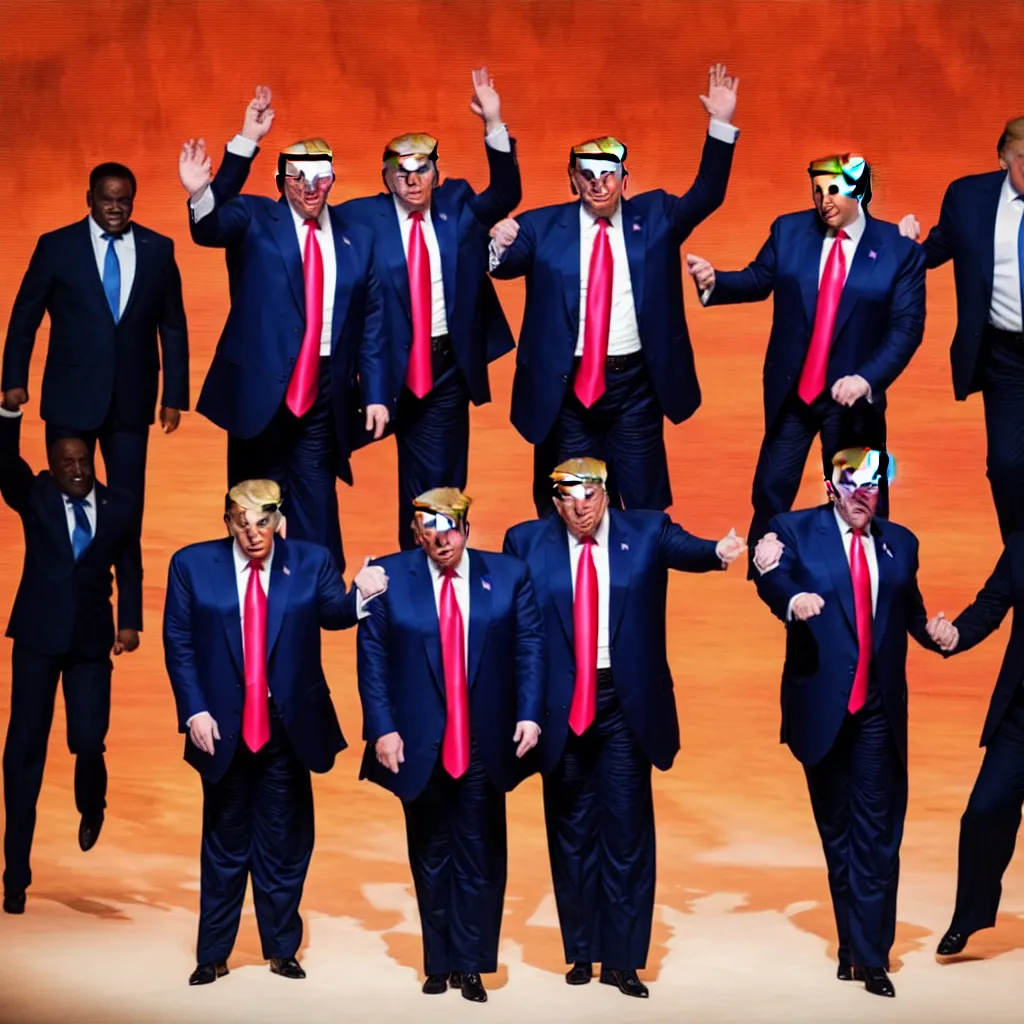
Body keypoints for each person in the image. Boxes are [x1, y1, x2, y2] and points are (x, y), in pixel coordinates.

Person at [502, 457, 745, 998]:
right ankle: (582, 952)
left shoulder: (646, 528)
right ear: (554, 500)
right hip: (560, 706)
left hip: (623, 704)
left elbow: (690, 550)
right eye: (568, 497)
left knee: (627, 834)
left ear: (606, 494)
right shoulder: (525, 542)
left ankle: (623, 960)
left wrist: (719, 553)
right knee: (571, 833)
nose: (580, 506)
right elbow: (511, 616)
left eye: (589, 495)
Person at [162, 479, 387, 984]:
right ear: (227, 523)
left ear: (278, 522)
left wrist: (361, 596)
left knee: (285, 844)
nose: (253, 532)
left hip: (287, 728)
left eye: (262, 521)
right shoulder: (192, 564)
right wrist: (194, 710)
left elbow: (332, 612)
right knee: (224, 844)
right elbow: (178, 640)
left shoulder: (310, 561)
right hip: (220, 727)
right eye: (241, 522)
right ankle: (212, 955)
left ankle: (282, 949)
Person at [488, 64, 740, 516]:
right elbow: (504, 266)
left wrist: (720, 124)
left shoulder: (658, 216)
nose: (598, 183)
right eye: (587, 174)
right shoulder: (542, 226)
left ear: (625, 179)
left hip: (635, 390)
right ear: (573, 178)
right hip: (566, 391)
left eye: (608, 173)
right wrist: (498, 245)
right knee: (568, 510)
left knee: (643, 514)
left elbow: (707, 194)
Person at [751, 448, 943, 998]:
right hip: (823, 705)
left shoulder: (900, 543)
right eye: (852, 485)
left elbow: (909, 613)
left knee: (877, 836)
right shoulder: (793, 528)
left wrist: (941, 635)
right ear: (830, 486)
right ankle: (851, 944)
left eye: (873, 485)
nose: (863, 495)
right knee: (838, 833)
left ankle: (873, 956)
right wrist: (792, 598)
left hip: (879, 708)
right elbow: (771, 577)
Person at [177, 86, 387, 574]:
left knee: (316, 504)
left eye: (321, 177)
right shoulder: (253, 217)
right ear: (282, 180)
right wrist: (237, 151)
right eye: (299, 178)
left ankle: (319, 602)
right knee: (253, 507)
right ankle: (253, 599)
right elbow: (208, 227)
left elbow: (372, 319)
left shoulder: (357, 236)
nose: (312, 189)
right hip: (260, 387)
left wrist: (374, 391)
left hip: (323, 390)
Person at [687, 154, 926, 573]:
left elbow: (906, 330)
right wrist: (715, 281)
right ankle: (767, 575)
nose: (824, 199)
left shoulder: (897, 250)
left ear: (860, 191)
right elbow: (758, 279)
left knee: (861, 493)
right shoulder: (789, 230)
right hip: (795, 390)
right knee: (771, 487)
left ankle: (872, 573)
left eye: (833, 189)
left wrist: (866, 380)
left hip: (853, 400)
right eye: (817, 190)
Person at [357, 488, 544, 1003]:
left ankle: (473, 963)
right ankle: (439, 961)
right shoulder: (390, 578)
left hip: (485, 738)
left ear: (466, 526)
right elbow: (371, 659)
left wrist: (529, 713)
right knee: (432, 852)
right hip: (418, 740)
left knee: (482, 854)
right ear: (417, 532)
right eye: (431, 531)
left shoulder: (508, 574)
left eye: (452, 529)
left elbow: (530, 646)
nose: (443, 540)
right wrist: (382, 728)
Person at [339, 67, 521, 548]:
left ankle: (427, 575)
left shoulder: (458, 201)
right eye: (402, 170)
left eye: (422, 169)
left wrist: (494, 124)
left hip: (442, 369)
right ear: (386, 177)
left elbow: (506, 195)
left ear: (437, 174)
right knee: (312, 450)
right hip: (381, 364)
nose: (413, 179)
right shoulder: (361, 216)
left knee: (436, 487)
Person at [2, 160, 189, 568]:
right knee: (65, 504)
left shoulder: (158, 249)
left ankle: (127, 612)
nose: (116, 208)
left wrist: (174, 395)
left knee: (127, 507)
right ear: (90, 200)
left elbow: (172, 325)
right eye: (107, 200)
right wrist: (13, 379)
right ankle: (69, 593)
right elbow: (25, 316)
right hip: (71, 398)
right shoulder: (57, 246)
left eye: (124, 201)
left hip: (131, 402)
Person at [0, 397, 142, 915]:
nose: (79, 470)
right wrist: (9, 416)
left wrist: (130, 621)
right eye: (68, 464)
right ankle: (15, 874)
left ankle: (92, 800)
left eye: (84, 461)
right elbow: (4, 462)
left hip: (88, 643)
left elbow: (130, 564)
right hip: (38, 638)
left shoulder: (118, 504)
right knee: (23, 754)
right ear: (52, 468)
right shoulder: (35, 494)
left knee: (87, 738)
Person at [898, 117, 1024, 539]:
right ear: (1004, 157)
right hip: (1006, 357)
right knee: (1006, 465)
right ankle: (1017, 555)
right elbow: (932, 253)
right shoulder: (968, 197)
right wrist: (903, 248)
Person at [923, 536, 1024, 957]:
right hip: (1020, 716)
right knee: (984, 811)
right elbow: (990, 605)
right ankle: (969, 918)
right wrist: (955, 634)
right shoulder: (1021, 545)